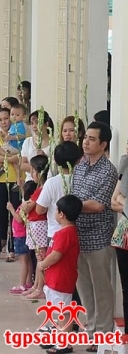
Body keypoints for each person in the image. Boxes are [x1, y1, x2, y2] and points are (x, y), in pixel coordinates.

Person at [71, 121, 117, 345]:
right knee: (85, 289)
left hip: (99, 237)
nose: (85, 142)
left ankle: (103, 335)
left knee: (101, 289)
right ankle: (90, 332)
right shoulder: (80, 166)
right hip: (78, 235)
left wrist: (72, 206)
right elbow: (74, 195)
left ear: (103, 144)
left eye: (91, 139)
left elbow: (98, 205)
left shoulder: (109, 171)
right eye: (85, 138)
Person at [36, 195, 83, 354]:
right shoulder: (65, 232)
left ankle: (64, 343)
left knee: (63, 312)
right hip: (57, 278)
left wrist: (42, 264)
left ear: (61, 214)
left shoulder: (66, 233)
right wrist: (44, 257)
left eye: (56, 210)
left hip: (60, 279)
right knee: (59, 310)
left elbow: (56, 255)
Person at [0, 108, 21, 260]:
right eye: (0, 119)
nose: (3, 122)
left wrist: (7, 156)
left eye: (6, 118)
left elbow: (20, 154)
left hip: (16, 179)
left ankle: (12, 249)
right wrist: (9, 159)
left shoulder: (17, 134)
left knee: (14, 213)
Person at [19, 155, 49, 300]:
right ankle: (36, 285)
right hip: (34, 225)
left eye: (32, 170)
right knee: (38, 257)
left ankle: (40, 287)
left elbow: (27, 206)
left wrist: (25, 205)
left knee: (41, 257)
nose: (31, 174)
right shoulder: (38, 189)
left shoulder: (42, 189)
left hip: (39, 225)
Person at [111, 140, 128, 340]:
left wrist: (124, 202)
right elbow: (114, 201)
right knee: (126, 288)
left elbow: (119, 202)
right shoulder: (125, 167)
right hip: (124, 237)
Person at [7, 181, 36, 294]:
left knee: (23, 261)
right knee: (28, 260)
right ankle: (29, 281)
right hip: (24, 235)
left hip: (20, 236)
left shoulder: (25, 206)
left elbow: (19, 219)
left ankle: (22, 284)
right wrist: (21, 185)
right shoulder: (29, 203)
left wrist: (11, 209)